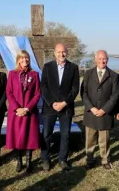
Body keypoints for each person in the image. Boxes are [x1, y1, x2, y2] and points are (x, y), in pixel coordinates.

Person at [40, 43, 79, 171]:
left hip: (66, 107)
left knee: (65, 134)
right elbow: (43, 87)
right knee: (46, 134)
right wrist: (52, 102)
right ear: (54, 53)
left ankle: (63, 159)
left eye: (63, 52)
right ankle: (45, 159)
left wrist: (64, 103)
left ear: (67, 52)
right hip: (49, 107)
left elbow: (75, 89)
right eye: (58, 52)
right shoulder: (47, 67)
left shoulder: (73, 67)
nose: (61, 54)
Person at [81, 50, 119, 170]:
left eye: (104, 59)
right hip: (91, 112)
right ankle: (90, 159)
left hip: (105, 113)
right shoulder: (88, 74)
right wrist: (91, 108)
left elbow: (115, 95)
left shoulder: (113, 76)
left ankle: (105, 160)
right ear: (95, 59)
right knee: (90, 139)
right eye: (100, 59)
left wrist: (104, 109)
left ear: (107, 60)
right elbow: (83, 93)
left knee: (104, 140)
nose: (102, 61)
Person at [5, 50, 41, 173]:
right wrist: (17, 108)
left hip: (29, 112)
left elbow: (37, 93)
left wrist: (27, 108)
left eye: (27, 58)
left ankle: (29, 161)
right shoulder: (12, 74)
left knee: (29, 137)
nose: (25, 60)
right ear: (18, 60)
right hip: (16, 113)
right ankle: (19, 161)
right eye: (22, 58)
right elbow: (9, 92)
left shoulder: (34, 74)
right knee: (18, 136)